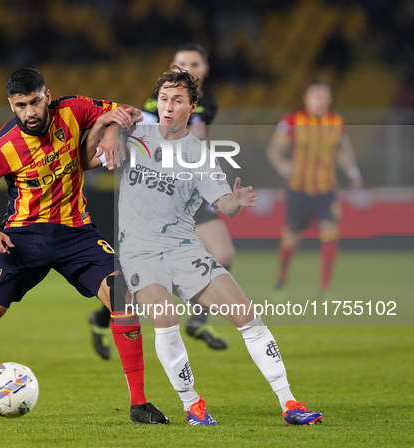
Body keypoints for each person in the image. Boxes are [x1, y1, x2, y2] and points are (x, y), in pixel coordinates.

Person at [0, 68, 168, 425]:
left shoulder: (73, 109)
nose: (30, 112)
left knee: (121, 294)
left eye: (36, 102)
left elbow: (131, 111)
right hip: (22, 240)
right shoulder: (0, 147)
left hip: (77, 233)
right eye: (21, 105)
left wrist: (113, 129)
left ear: (48, 96)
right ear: (11, 105)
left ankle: (139, 403)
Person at [89, 67, 323, 426]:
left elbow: (223, 204)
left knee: (248, 317)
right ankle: (192, 405)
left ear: (192, 107)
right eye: (164, 99)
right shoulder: (136, 131)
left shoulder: (199, 155)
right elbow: (90, 140)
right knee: (165, 317)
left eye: (177, 100)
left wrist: (236, 199)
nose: (168, 107)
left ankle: (289, 402)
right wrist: (106, 129)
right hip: (140, 252)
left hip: (184, 249)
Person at [88, 43, 231, 358]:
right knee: (141, 280)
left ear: (204, 70)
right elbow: (137, 129)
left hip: (187, 188)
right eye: (182, 64)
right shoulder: (158, 103)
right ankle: (101, 317)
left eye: (194, 64)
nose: (187, 69)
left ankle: (197, 319)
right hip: (156, 191)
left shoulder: (207, 104)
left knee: (223, 251)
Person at [266, 81, 363, 300]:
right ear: (306, 99)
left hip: (326, 188)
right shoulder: (291, 120)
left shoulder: (336, 122)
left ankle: (325, 288)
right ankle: (281, 280)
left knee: (330, 232)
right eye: (315, 96)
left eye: (323, 96)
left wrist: (353, 171)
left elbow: (343, 149)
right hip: (298, 188)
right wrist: (282, 165)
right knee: (291, 238)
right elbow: (274, 149)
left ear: (329, 99)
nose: (319, 100)